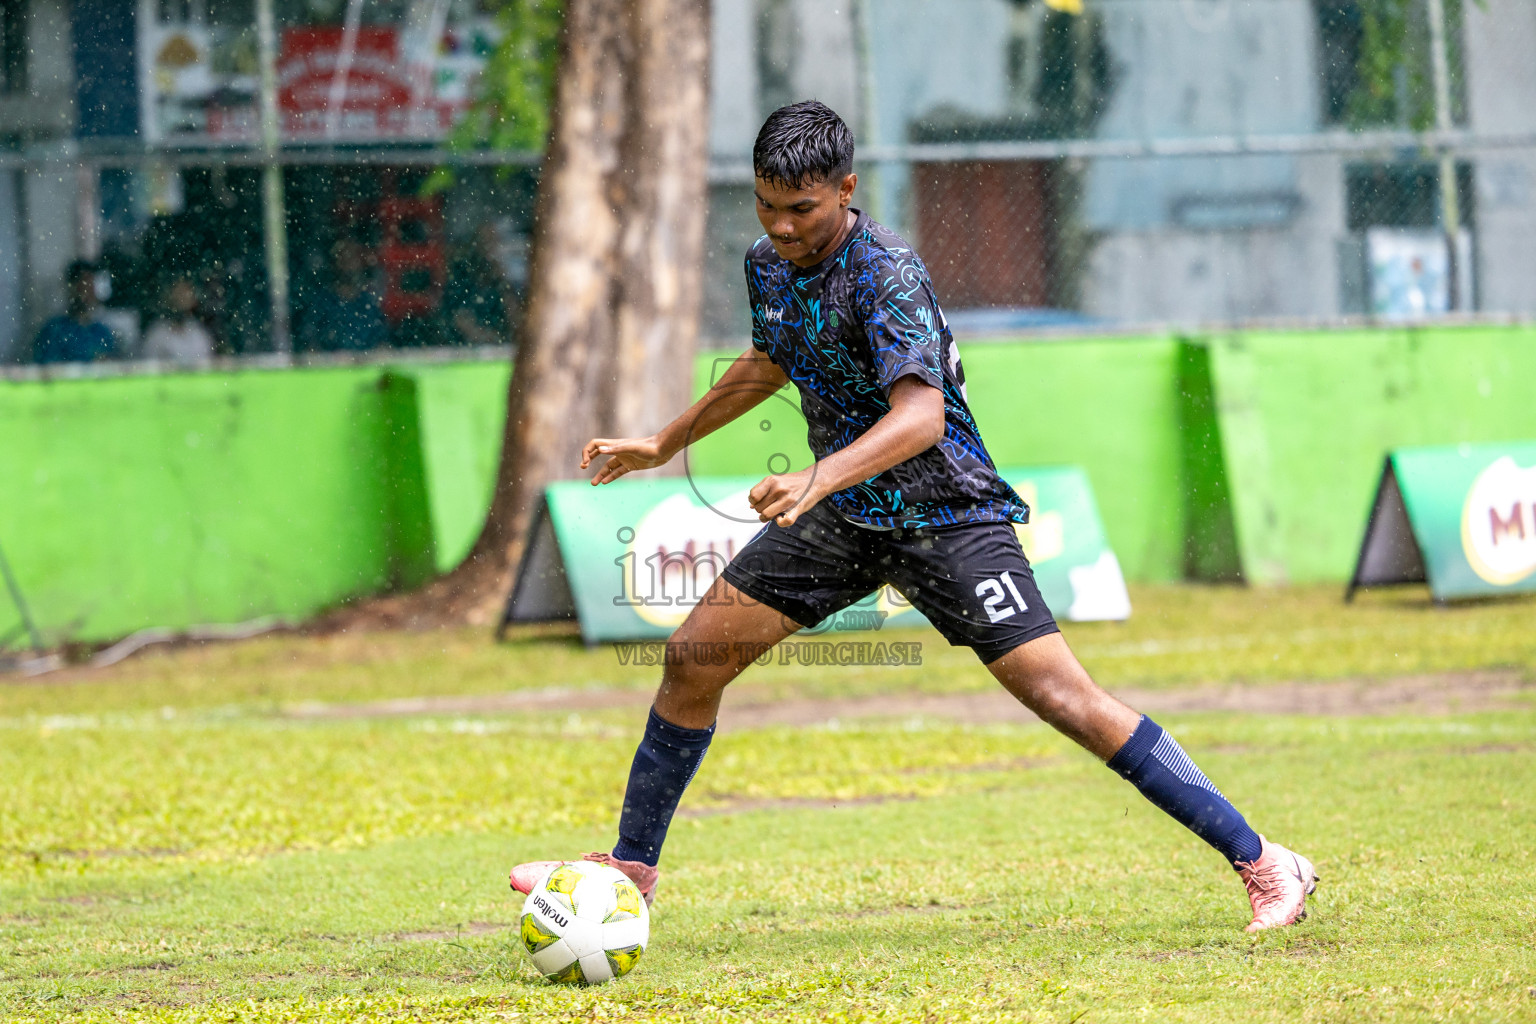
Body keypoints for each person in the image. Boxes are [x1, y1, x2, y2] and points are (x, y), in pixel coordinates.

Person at [509, 102, 1318, 934]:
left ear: (847, 190)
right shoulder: (767, 263)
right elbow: (770, 359)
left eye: (802, 209)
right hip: (843, 514)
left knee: (1064, 698)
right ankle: (631, 871)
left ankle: (1265, 861)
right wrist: (663, 439)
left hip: (947, 513)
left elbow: (922, 417)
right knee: (692, 659)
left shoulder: (886, 270)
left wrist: (817, 477)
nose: (781, 226)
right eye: (766, 205)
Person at [298, 241, 387, 353]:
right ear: (334, 263)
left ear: (360, 263)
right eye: (343, 258)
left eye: (352, 258)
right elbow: (310, 346)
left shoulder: (369, 303)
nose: (348, 264)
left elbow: (383, 345)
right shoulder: (322, 302)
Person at [443, 223, 518, 347]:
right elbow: (460, 320)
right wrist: (493, 339)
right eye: (486, 243)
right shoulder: (461, 278)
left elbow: (515, 318)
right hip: (461, 350)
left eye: (494, 244)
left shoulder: (498, 283)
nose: (491, 251)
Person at [32, 261, 117, 365]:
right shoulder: (54, 330)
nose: (88, 291)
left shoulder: (102, 332)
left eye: (91, 285)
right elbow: (46, 370)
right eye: (83, 285)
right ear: (70, 287)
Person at [142, 276, 215, 368]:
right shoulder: (157, 333)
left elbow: (208, 365)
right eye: (178, 295)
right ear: (169, 299)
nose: (182, 300)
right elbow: (146, 367)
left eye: (186, 295)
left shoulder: (199, 332)